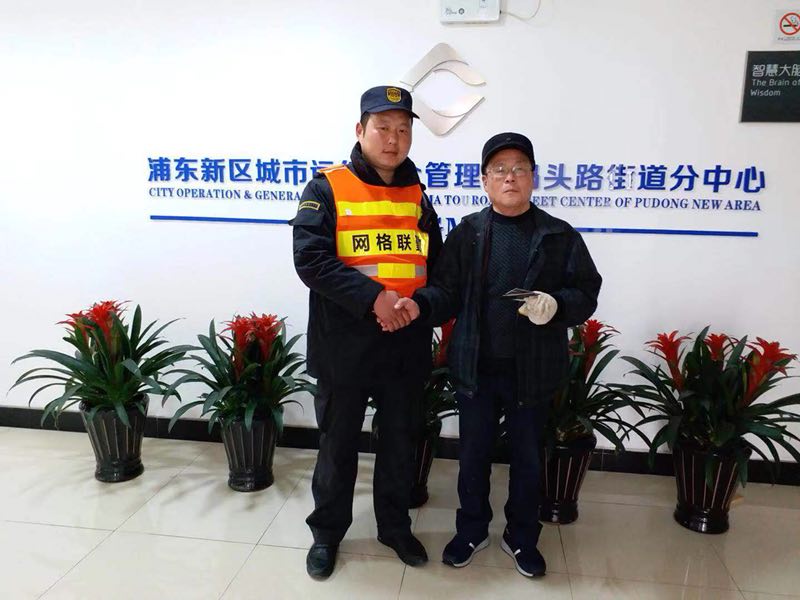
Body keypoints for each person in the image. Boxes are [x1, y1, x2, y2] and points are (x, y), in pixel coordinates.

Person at [390, 132, 602, 578]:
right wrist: (420, 305)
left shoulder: (559, 235)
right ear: (485, 181)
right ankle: (471, 530)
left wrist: (557, 305)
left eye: (520, 169)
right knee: (473, 456)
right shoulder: (468, 233)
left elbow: (587, 291)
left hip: (532, 369)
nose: (510, 178)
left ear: (533, 179)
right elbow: (445, 290)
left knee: (528, 458)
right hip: (477, 366)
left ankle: (521, 536)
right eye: (500, 170)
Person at [291, 85, 442, 579]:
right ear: (360, 130)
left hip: (404, 343)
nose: (393, 139)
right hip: (346, 345)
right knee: (337, 447)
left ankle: (394, 527)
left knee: (399, 444)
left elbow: (434, 265)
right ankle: (327, 534)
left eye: (403, 129)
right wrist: (373, 298)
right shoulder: (326, 188)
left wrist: (417, 306)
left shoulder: (418, 195)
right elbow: (310, 259)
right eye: (383, 127)